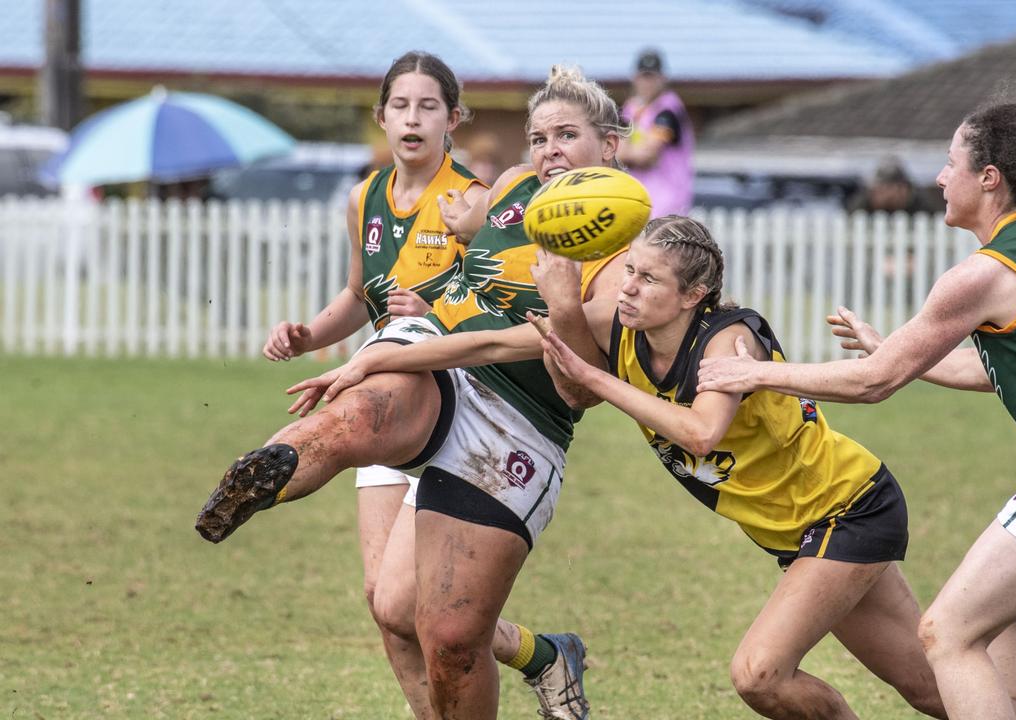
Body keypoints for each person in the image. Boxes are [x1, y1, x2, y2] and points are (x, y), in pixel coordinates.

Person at [697, 101, 1016, 720]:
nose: (940, 178)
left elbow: (872, 385)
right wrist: (899, 353)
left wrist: (755, 372)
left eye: (949, 161)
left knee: (947, 633)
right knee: (988, 620)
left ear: (989, 176)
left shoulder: (984, 274)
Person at [197, 65, 634, 720]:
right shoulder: (514, 187)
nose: (549, 152)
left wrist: (565, 305)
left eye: (567, 136)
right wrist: (462, 237)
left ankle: (544, 657)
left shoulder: (630, 250)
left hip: (521, 418)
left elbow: (586, 385)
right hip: (435, 354)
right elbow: (468, 256)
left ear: (610, 146)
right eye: (539, 138)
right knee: (368, 409)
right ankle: (273, 468)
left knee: (434, 626)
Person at [523, 215, 947, 719]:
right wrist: (410, 348)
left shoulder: (729, 337)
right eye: (628, 270)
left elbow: (702, 434)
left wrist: (597, 377)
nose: (628, 287)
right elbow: (493, 345)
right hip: (803, 530)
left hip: (849, 508)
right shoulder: (624, 326)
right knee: (932, 691)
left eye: (648, 277)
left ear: (694, 293)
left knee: (759, 675)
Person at [618, 49, 694, 216]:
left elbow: (647, 154)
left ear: (663, 79)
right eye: (644, 77)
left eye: (652, 78)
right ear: (635, 79)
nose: (648, 83)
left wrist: (629, 152)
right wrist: (630, 153)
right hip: (639, 199)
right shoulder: (630, 109)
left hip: (668, 203)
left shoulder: (668, 110)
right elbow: (619, 152)